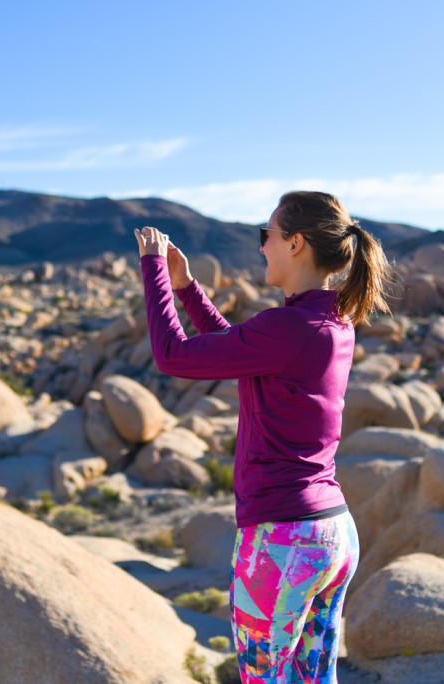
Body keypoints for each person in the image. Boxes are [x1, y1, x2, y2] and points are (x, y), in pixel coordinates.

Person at [135, 190, 389, 683]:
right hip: (331, 533)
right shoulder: (328, 321)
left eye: (266, 235)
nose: (261, 247)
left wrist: (153, 270)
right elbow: (241, 352)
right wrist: (188, 288)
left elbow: (172, 355)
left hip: (282, 539)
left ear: (295, 244)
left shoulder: (291, 326)